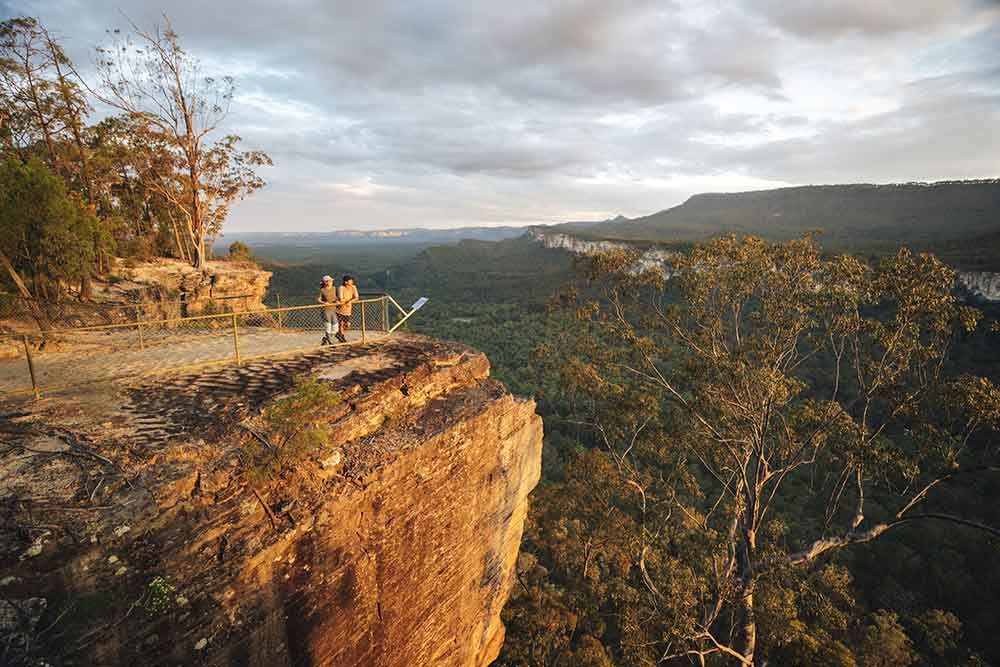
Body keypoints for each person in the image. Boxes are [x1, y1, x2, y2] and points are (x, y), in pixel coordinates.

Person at [335, 274, 360, 343]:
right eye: (350, 280)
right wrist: (347, 300)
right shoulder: (341, 288)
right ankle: (342, 337)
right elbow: (341, 298)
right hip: (340, 309)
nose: (352, 281)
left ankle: (339, 334)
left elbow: (356, 297)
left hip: (348, 309)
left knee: (347, 325)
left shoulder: (353, 287)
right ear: (346, 282)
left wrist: (349, 301)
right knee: (341, 324)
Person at [317, 275, 337, 345]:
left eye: (331, 281)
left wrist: (337, 301)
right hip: (326, 310)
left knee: (335, 327)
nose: (331, 282)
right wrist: (324, 302)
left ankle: (325, 338)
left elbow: (336, 297)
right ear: (325, 282)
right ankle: (330, 341)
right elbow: (318, 299)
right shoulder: (322, 290)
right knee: (328, 326)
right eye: (329, 281)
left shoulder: (334, 288)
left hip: (333, 309)